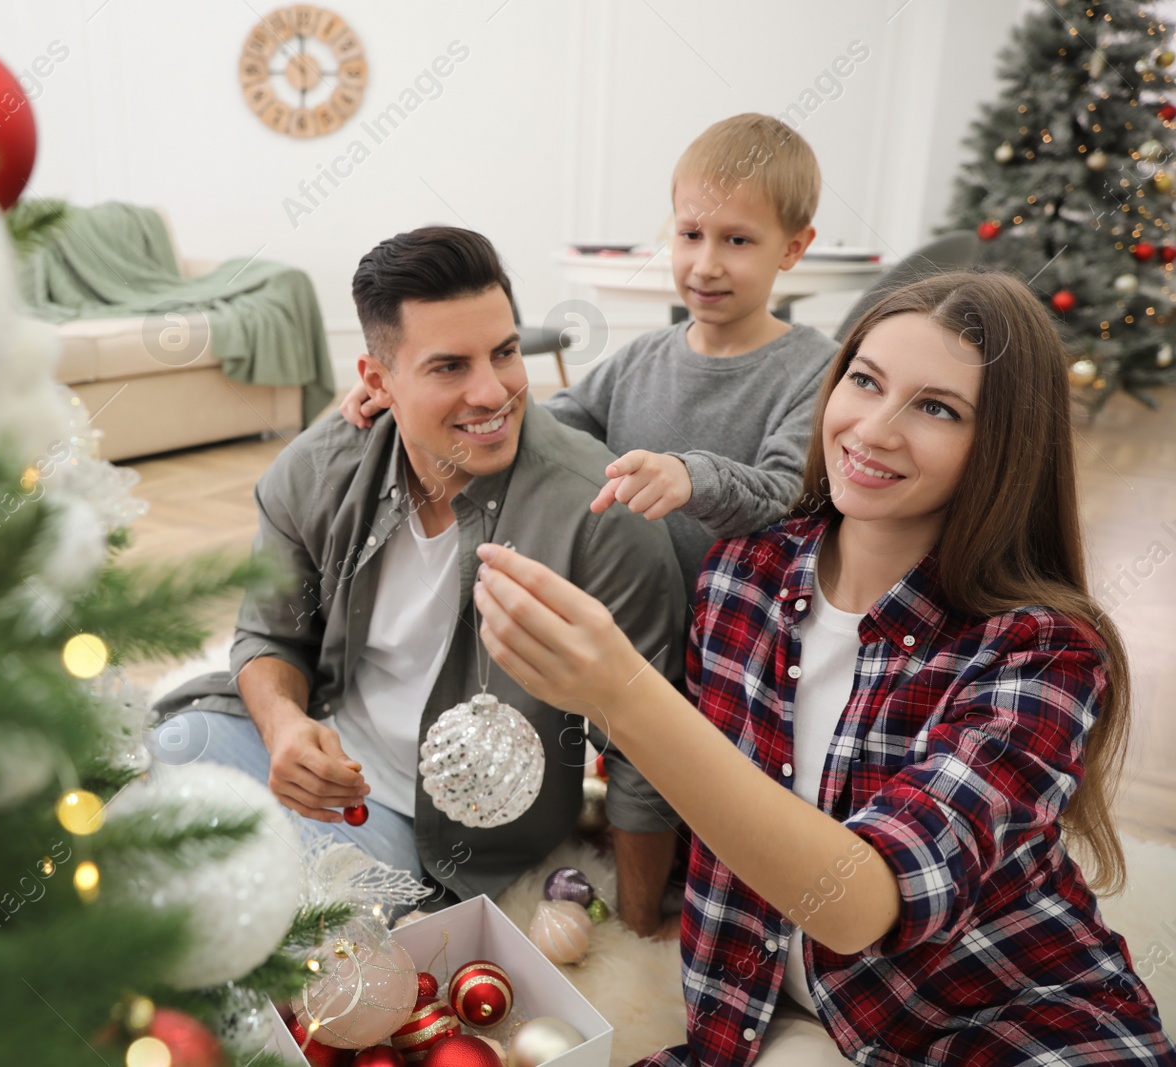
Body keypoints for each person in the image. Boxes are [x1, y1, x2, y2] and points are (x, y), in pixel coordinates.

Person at [470, 270, 1175, 1064]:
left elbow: (860, 902)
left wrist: (624, 693)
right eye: (864, 382)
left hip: (1002, 1015)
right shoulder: (740, 579)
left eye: (937, 408)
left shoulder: (1044, 652)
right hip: (764, 1015)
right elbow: (721, 810)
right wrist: (394, 417)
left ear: (1003, 449)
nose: (873, 429)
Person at [152, 227, 686, 920]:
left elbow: (646, 746)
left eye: (505, 351)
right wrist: (284, 726)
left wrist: (641, 929)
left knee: (272, 913)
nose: (493, 391)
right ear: (377, 381)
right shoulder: (314, 471)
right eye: (448, 367)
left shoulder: (600, 513)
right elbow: (268, 635)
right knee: (135, 787)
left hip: (439, 830)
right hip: (312, 740)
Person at [340, 113, 838, 604]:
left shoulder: (818, 371)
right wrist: (405, 392)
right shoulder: (641, 358)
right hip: (628, 618)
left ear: (793, 247)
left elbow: (791, 501)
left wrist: (692, 479)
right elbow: (547, 425)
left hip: (735, 648)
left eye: (737, 241)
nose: (706, 266)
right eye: (691, 235)